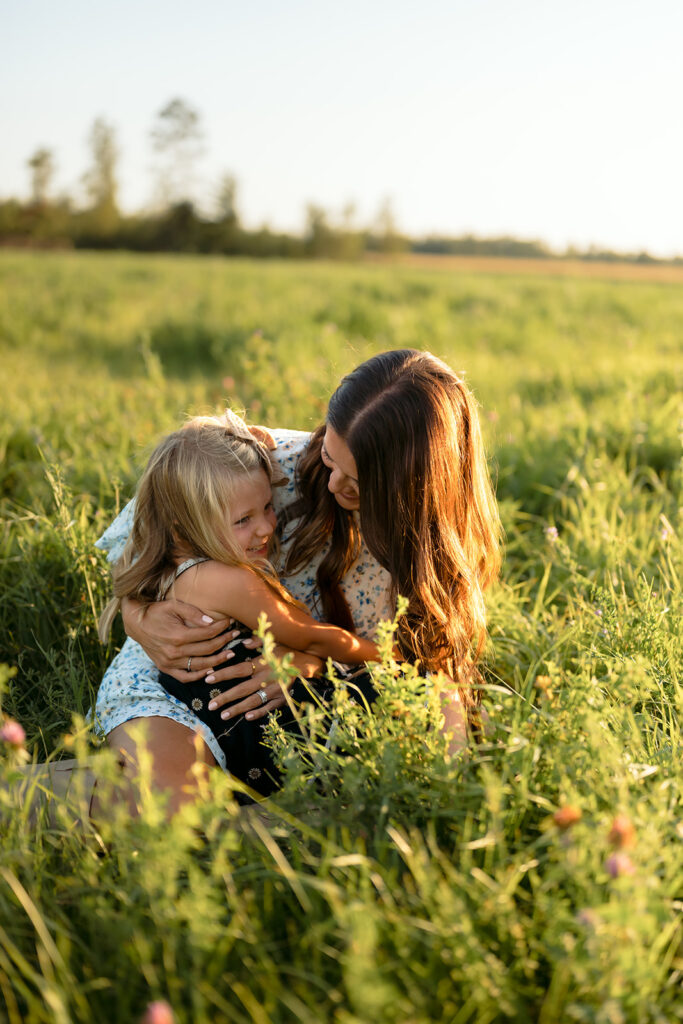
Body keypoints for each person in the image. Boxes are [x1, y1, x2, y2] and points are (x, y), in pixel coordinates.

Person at [94, 349, 501, 814]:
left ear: (413, 490)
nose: (332, 485)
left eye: (357, 481)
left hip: (326, 690)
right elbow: (137, 546)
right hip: (185, 681)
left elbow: (425, 659)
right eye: (330, 456)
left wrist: (312, 663)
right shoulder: (262, 465)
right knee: (172, 811)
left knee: (435, 746)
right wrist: (138, 616)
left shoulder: (432, 550)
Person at [98, 410, 382, 801]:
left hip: (223, 708)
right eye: (243, 520)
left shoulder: (191, 557)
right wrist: (385, 654)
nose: (267, 527)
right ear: (186, 524)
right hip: (222, 718)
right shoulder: (226, 579)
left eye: (267, 507)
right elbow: (309, 636)